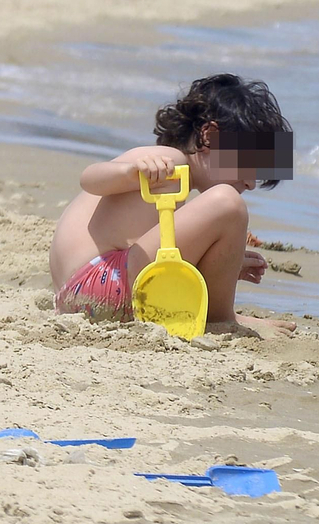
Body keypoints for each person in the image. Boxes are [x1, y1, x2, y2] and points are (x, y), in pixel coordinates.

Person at [49, 74, 294, 336]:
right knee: (228, 203)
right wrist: (130, 172)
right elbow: (89, 178)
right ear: (210, 136)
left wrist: (225, 264)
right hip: (101, 283)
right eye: (248, 166)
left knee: (221, 208)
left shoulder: (175, 181)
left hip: (81, 294)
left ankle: (222, 312)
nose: (250, 184)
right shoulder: (168, 160)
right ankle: (222, 319)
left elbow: (162, 257)